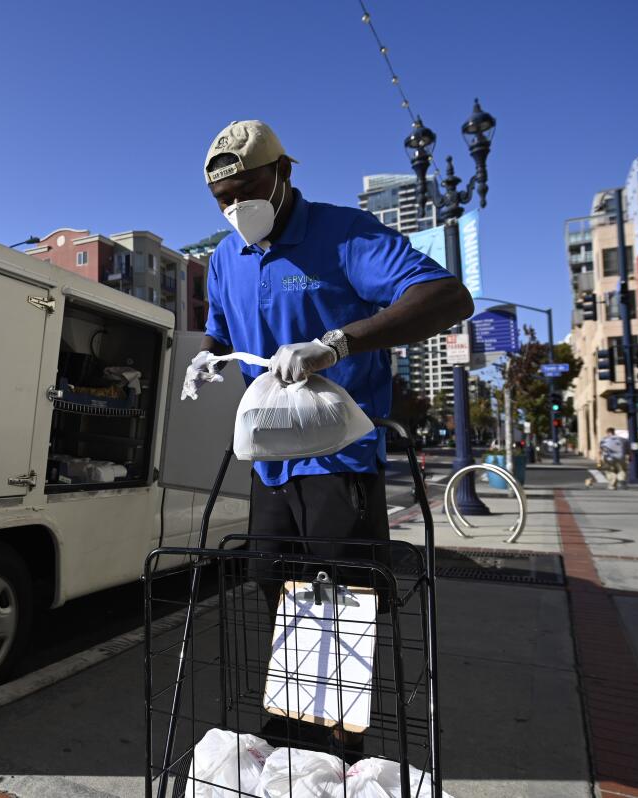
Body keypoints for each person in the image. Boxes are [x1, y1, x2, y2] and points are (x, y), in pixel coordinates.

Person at [181, 120, 474, 753]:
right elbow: (224, 327)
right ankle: (290, 722)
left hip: (340, 457)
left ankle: (337, 741)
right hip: (271, 462)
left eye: (247, 189)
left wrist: (339, 342)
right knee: (269, 577)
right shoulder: (224, 259)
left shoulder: (343, 235)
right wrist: (207, 355)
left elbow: (448, 296)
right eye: (222, 199)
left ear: (283, 173)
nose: (236, 208)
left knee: (341, 590)